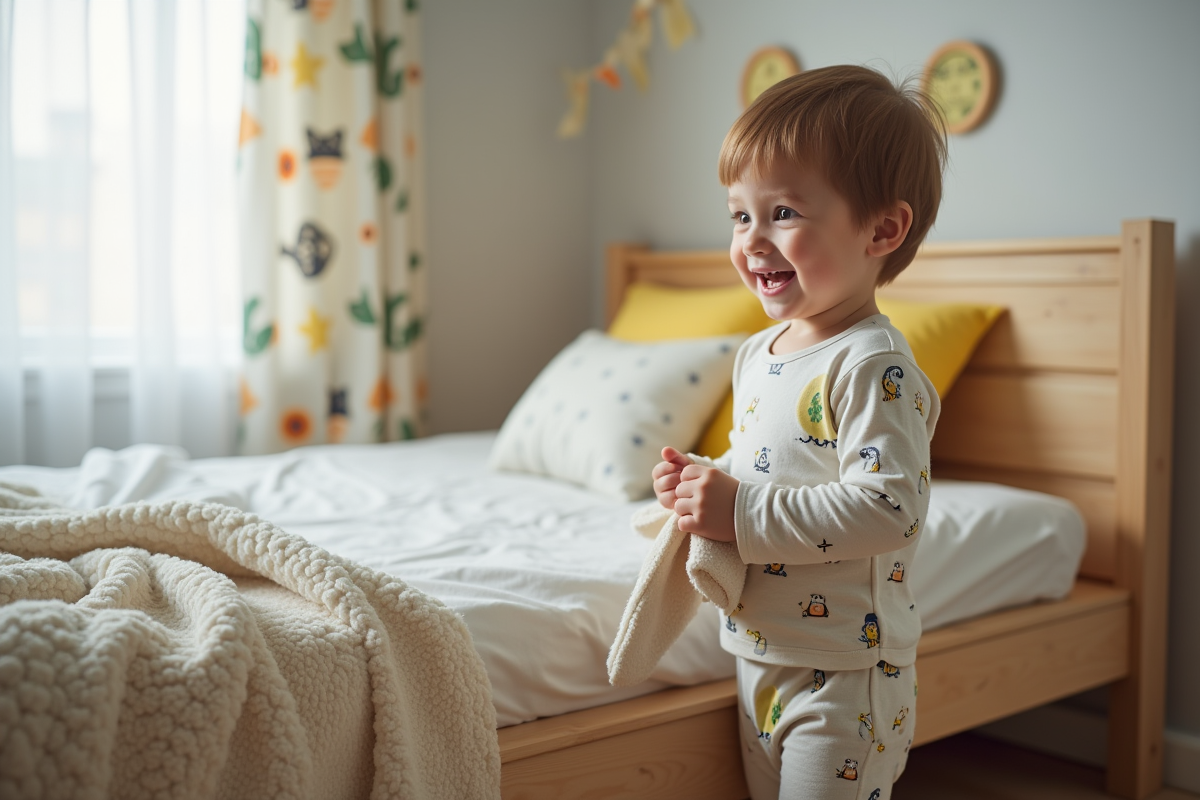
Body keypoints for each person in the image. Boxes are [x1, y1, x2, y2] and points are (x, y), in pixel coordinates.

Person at [651, 65, 948, 800]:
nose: (752, 240)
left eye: (782, 212)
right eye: (739, 216)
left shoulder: (873, 366)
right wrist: (702, 481)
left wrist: (738, 512)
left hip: (848, 669)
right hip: (759, 651)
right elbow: (766, 461)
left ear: (882, 229)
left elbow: (890, 506)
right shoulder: (760, 352)